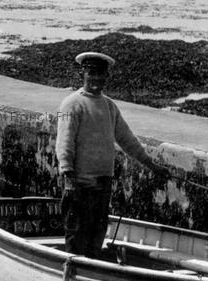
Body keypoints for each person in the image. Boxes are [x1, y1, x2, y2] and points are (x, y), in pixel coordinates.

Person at [55, 51, 169, 257]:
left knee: (97, 233)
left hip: (103, 184)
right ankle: (73, 270)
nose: (97, 79)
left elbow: (127, 140)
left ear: (107, 76)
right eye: (92, 73)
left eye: (101, 74)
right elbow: (64, 143)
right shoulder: (70, 105)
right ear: (84, 73)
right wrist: (68, 177)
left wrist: (152, 165)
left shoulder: (109, 106)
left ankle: (92, 271)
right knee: (76, 234)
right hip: (79, 185)